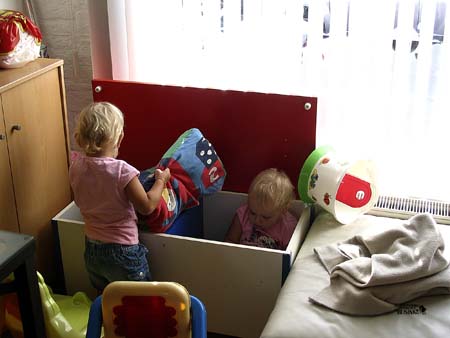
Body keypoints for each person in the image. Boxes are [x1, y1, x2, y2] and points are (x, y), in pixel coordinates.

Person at [69, 101, 171, 293]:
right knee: (140, 303)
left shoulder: (76, 166)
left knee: (109, 303)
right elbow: (147, 206)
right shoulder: (121, 171)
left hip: (92, 251)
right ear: (119, 137)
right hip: (123, 252)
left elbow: (78, 199)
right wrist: (161, 181)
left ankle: (110, 325)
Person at [225, 168, 297, 250]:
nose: (257, 220)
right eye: (252, 213)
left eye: (265, 217)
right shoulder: (243, 215)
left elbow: (288, 255)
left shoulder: (287, 226)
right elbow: (229, 242)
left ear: (283, 210)